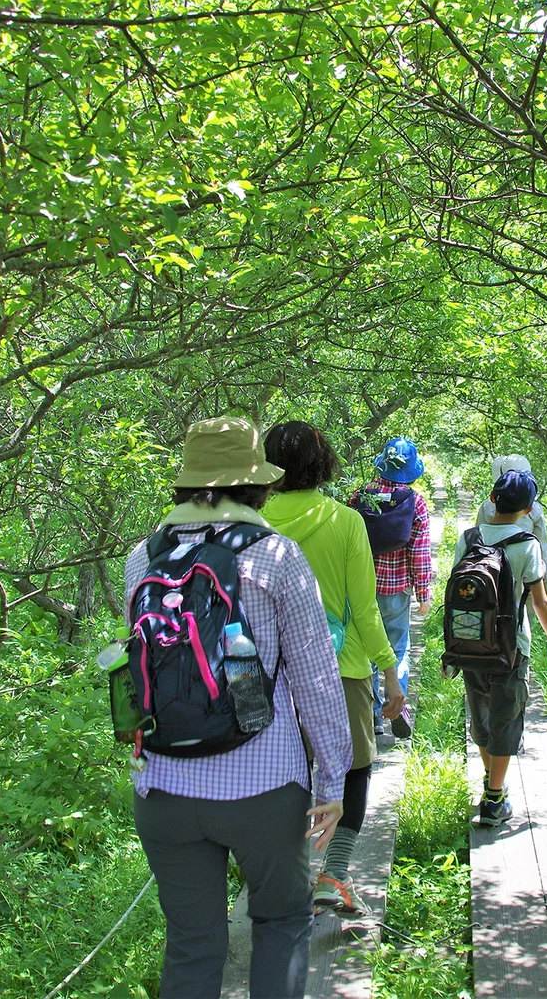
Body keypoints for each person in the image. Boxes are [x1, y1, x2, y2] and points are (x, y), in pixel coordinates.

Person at [124, 416, 351, 999]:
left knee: (192, 944)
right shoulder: (277, 556)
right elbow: (317, 682)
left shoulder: (141, 560)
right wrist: (332, 781)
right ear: (257, 486)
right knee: (280, 924)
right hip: (265, 789)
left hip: (165, 789)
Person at [261, 420, 404, 916]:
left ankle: (292, 874)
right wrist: (389, 671)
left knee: (286, 773)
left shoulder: (253, 522)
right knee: (354, 768)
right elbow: (364, 610)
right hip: (341, 669)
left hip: (269, 673)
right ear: (323, 465)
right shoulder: (345, 521)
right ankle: (335, 875)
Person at [454, 469, 547, 827]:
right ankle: (493, 799)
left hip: (470, 644)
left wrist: (451, 648)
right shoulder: (527, 545)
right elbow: (539, 601)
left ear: (491, 498)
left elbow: (458, 596)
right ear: (529, 508)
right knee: (507, 718)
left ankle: (492, 783)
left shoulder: (469, 537)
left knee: (481, 715)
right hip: (512, 648)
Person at [353, 436, 433, 735]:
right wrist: (424, 593)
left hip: (361, 588)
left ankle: (372, 715)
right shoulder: (416, 502)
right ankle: (396, 705)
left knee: (366, 651)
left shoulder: (360, 495)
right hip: (397, 590)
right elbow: (420, 552)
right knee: (397, 649)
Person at [475, 454, 547, 591]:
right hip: (527, 573)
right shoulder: (534, 509)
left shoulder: (487, 506)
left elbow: (476, 541)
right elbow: (543, 545)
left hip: (491, 575)